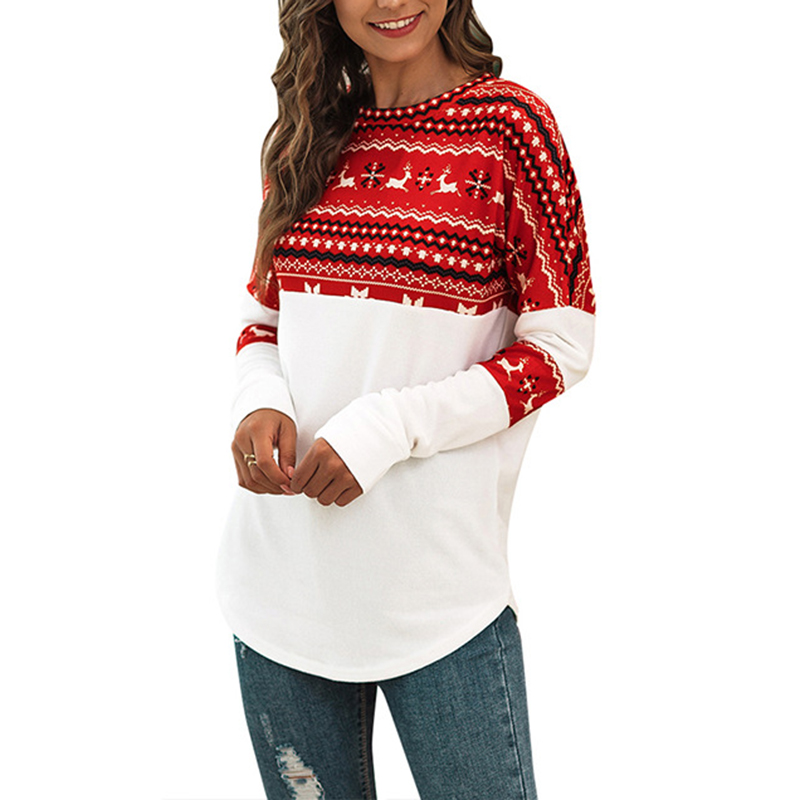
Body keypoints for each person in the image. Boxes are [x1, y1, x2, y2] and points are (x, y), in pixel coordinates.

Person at [216, 0, 595, 797]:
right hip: (278, 598)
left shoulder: (510, 131)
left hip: (440, 607)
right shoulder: (306, 133)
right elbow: (262, 320)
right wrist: (258, 399)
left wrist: (388, 426)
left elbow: (561, 349)